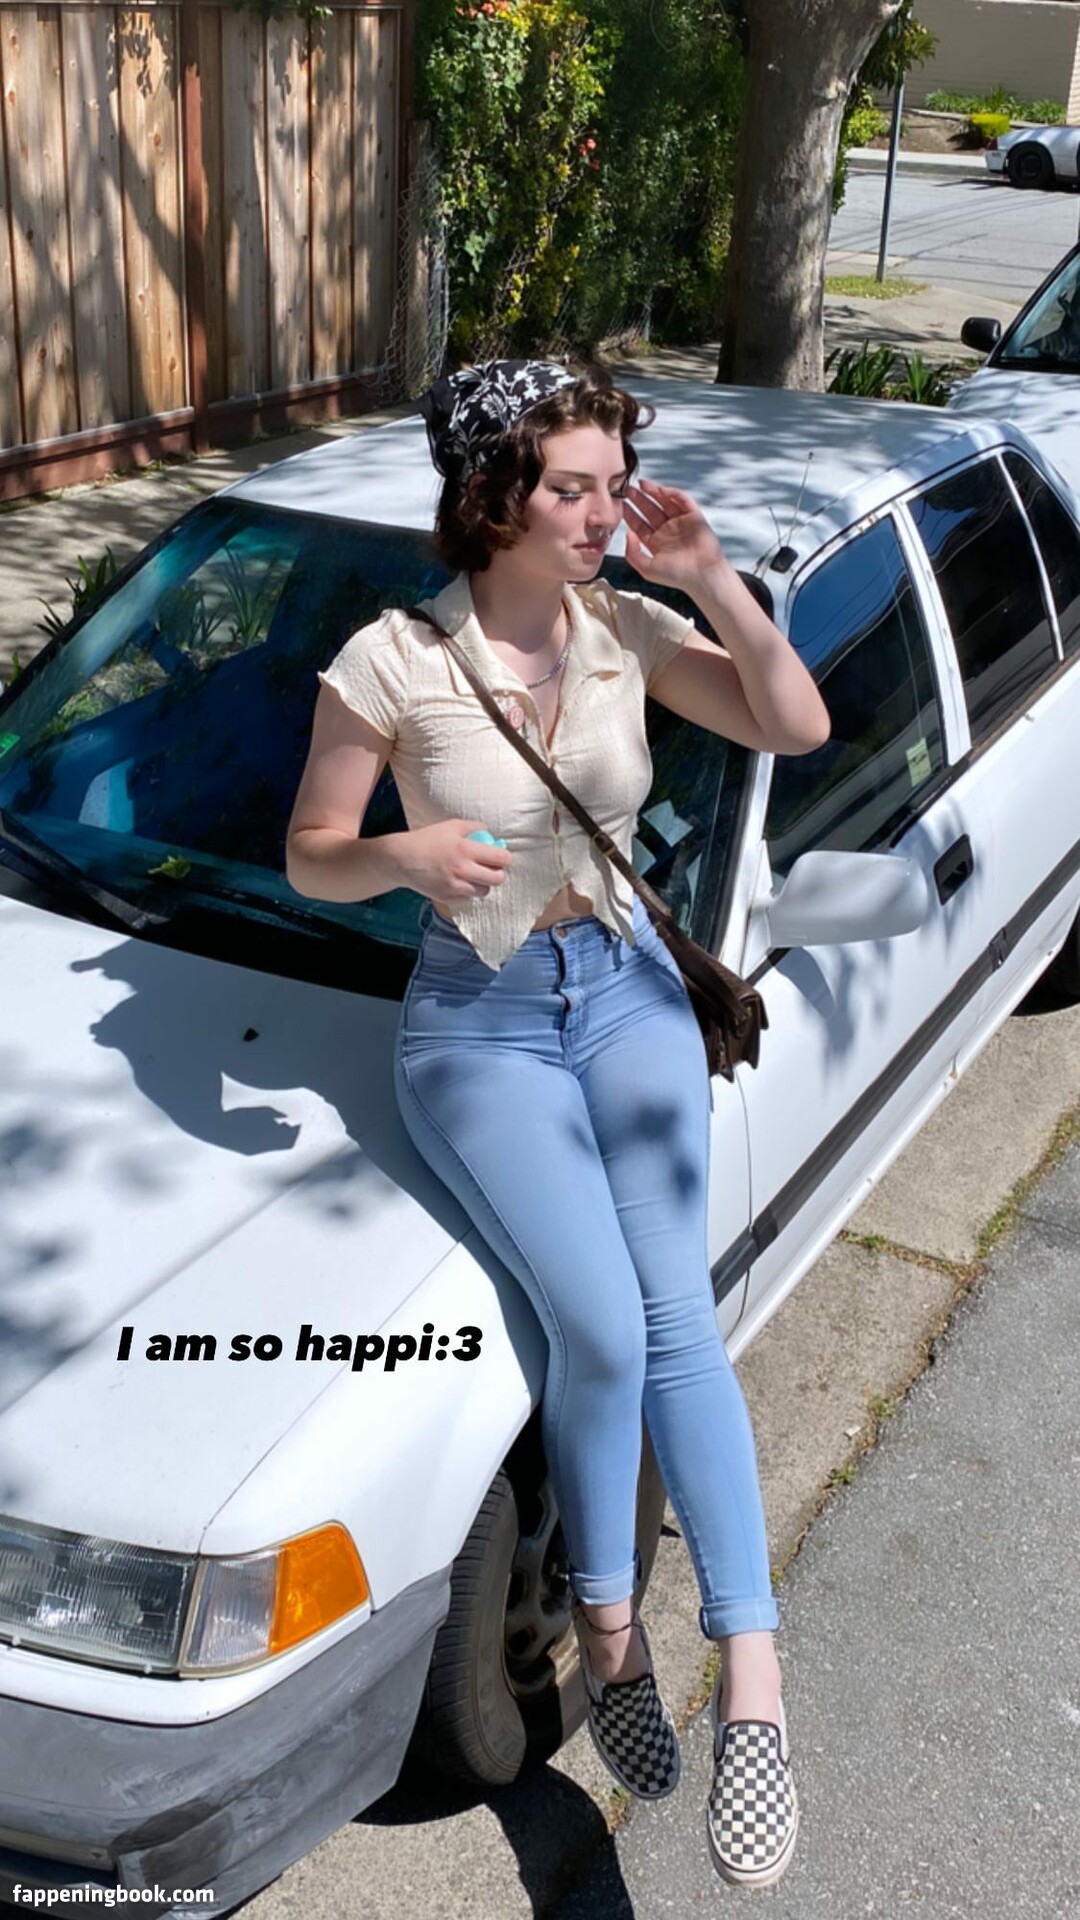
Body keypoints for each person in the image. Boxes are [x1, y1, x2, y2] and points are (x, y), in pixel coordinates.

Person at [285, 359, 831, 1889]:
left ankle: (753, 1676)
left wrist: (710, 579)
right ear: (493, 499)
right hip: (480, 1022)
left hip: (627, 989)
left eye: (613, 483)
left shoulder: (623, 629)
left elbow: (792, 722)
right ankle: (608, 1628)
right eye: (574, 489)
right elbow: (313, 851)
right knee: (597, 1323)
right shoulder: (389, 662)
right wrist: (402, 854)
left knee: (675, 1321)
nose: (606, 513)